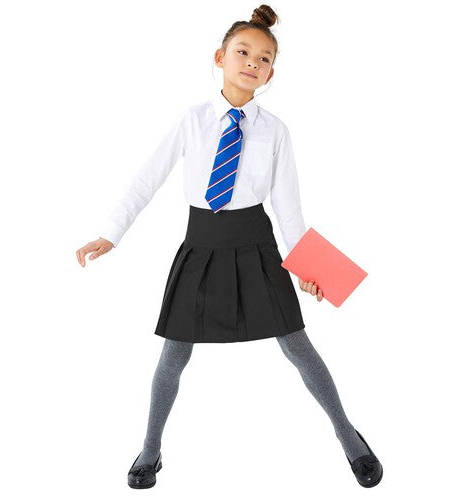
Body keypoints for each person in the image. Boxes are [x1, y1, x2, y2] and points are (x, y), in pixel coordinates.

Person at [76, 4, 383, 489]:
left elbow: (289, 210)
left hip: (258, 247)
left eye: (264, 59)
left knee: (298, 347)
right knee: (173, 356)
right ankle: (150, 450)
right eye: (243, 52)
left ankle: (351, 439)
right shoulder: (192, 120)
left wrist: (310, 271)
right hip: (201, 245)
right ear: (220, 57)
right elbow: (146, 180)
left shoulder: (275, 130)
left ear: (271, 74)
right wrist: (111, 233)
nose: (252, 63)